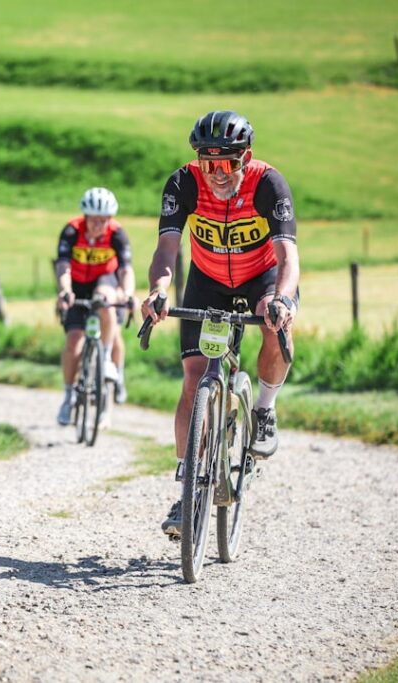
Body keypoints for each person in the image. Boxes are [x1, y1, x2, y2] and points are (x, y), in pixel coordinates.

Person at [139, 110, 299, 537]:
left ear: (245, 158)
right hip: (208, 280)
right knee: (193, 380)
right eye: (208, 163)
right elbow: (167, 250)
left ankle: (264, 409)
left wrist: (281, 299)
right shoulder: (183, 183)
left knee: (272, 321)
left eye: (227, 163)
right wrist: (158, 289)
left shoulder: (268, 184)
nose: (217, 174)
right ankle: (186, 484)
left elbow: (288, 257)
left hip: (262, 277)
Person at [55, 187, 136, 426]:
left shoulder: (117, 234)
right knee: (73, 343)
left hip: (105, 281)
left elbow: (125, 269)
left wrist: (127, 292)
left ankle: (109, 364)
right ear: (85, 217)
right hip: (77, 286)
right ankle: (68, 396)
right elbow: (63, 266)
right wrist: (65, 291)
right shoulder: (71, 231)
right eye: (93, 220)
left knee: (105, 300)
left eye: (103, 220)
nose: (98, 225)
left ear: (110, 219)